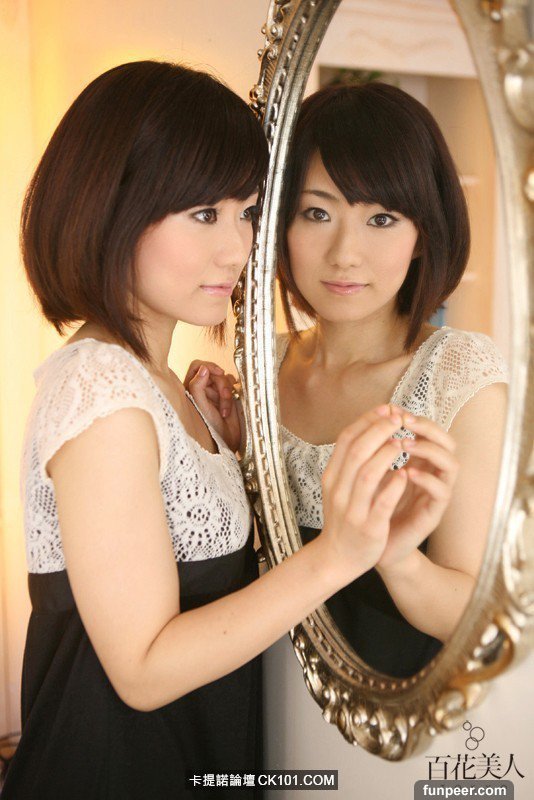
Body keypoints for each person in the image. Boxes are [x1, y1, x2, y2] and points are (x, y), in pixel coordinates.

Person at [4, 62, 456, 800]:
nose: (237, 248)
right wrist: (338, 554)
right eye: (203, 214)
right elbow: (143, 670)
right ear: (112, 206)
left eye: (247, 212)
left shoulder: (154, 381)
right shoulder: (100, 390)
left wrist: (230, 452)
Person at [272, 82, 508, 677]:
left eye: (382, 218)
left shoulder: (459, 376)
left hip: (388, 708)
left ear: (423, 234)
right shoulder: (261, 367)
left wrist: (399, 559)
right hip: (248, 701)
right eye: (317, 213)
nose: (345, 253)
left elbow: (478, 621)